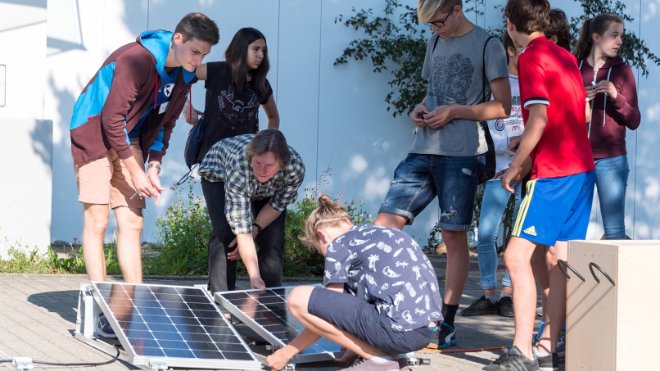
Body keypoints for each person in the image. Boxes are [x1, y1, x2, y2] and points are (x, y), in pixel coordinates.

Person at [374, 0, 511, 349]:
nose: (433, 29)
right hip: (422, 149)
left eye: (437, 22)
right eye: (429, 25)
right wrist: (420, 108)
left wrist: (455, 112)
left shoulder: (487, 44)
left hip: (462, 153)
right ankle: (387, 309)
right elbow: (431, 93)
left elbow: (503, 106)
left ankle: (445, 324)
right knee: (384, 227)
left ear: (456, 9)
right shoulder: (433, 42)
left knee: (453, 238)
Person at [70, 12, 219, 284]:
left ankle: (133, 301)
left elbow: (167, 122)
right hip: (93, 132)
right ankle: (99, 304)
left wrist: (152, 166)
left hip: (130, 138)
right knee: (98, 220)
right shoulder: (136, 60)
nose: (197, 61)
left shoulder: (184, 77)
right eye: (195, 51)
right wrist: (135, 172)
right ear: (177, 38)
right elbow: (111, 119)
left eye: (204, 55)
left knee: (132, 222)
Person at [486, 1, 596, 370]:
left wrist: (515, 165)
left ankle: (521, 351)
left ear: (510, 22)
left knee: (515, 257)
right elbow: (578, 114)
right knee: (555, 259)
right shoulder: (564, 56)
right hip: (581, 169)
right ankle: (549, 345)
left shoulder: (531, 56)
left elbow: (539, 119)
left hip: (553, 175)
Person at [266, 195, 443, 371]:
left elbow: (327, 311)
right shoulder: (383, 233)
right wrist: (350, 353)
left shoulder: (339, 244)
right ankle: (390, 359)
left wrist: (286, 352)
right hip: (424, 332)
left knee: (298, 297)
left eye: (321, 250)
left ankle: (380, 360)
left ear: (322, 235)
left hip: (396, 331)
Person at [462, 32, 523, 319]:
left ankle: (509, 295)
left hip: (527, 169)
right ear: (509, 51)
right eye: (521, 49)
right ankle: (488, 293)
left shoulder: (535, 82)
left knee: (518, 235)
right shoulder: (493, 86)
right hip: (497, 170)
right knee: (485, 234)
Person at [197, 129, 304, 292]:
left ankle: (270, 299)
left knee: (273, 236)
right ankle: (221, 297)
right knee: (226, 233)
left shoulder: (294, 169)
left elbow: (277, 205)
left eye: (269, 165)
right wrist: (253, 276)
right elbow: (242, 228)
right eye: (258, 162)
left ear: (281, 163)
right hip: (218, 175)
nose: (262, 170)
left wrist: (255, 230)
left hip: (269, 189)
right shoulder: (240, 166)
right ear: (251, 157)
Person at [575, 14, 641, 240]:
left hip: (612, 160)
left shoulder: (623, 71)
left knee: (614, 232)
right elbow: (557, 113)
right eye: (614, 35)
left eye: (621, 36)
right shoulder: (575, 67)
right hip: (576, 158)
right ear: (596, 37)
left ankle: (619, 276)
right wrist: (578, 99)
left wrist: (615, 95)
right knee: (572, 229)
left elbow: (634, 121)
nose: (620, 41)